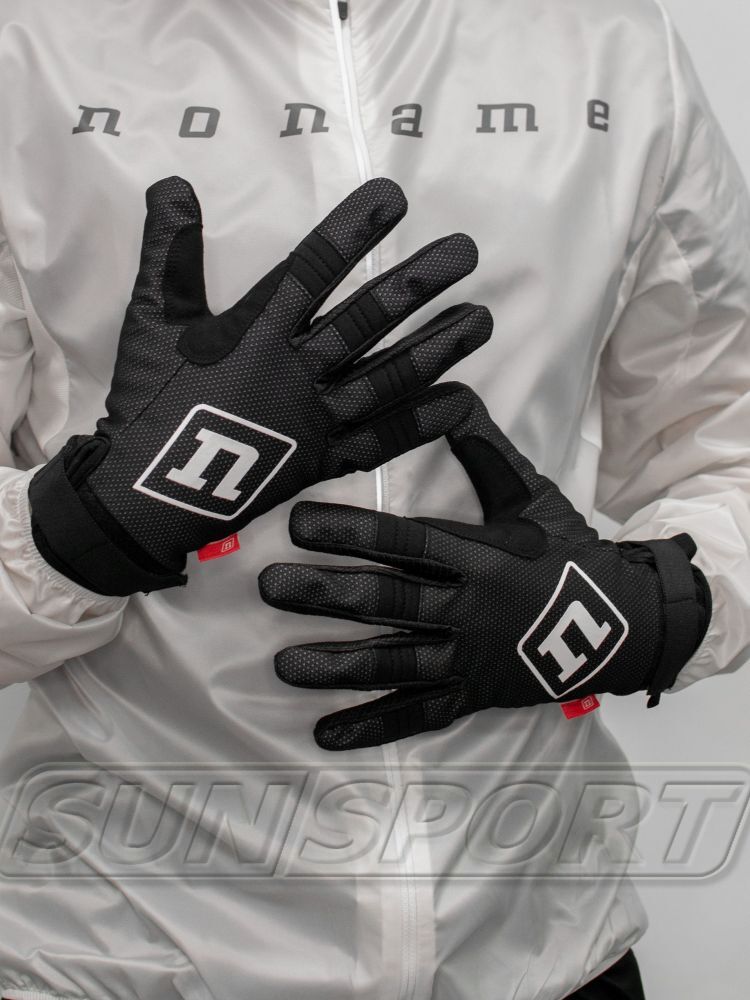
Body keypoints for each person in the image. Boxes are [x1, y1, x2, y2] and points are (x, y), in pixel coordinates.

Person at [0, 1, 748, 998]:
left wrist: (660, 608)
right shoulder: (26, 45)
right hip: (114, 955)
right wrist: (83, 528)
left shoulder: (609, 40)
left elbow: (727, 428)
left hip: (540, 951)